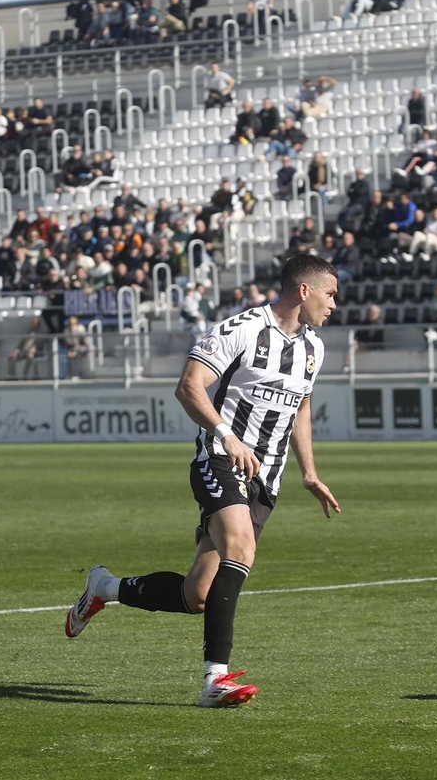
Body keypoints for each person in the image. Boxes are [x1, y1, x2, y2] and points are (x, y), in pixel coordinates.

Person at [64, 254, 341, 708]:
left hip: (266, 478)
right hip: (220, 459)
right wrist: (227, 436)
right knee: (241, 548)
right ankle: (216, 679)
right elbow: (189, 386)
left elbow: (301, 407)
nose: (334, 305)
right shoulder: (242, 329)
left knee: (198, 595)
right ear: (304, 290)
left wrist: (310, 472)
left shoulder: (314, 348)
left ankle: (104, 588)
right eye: (330, 294)